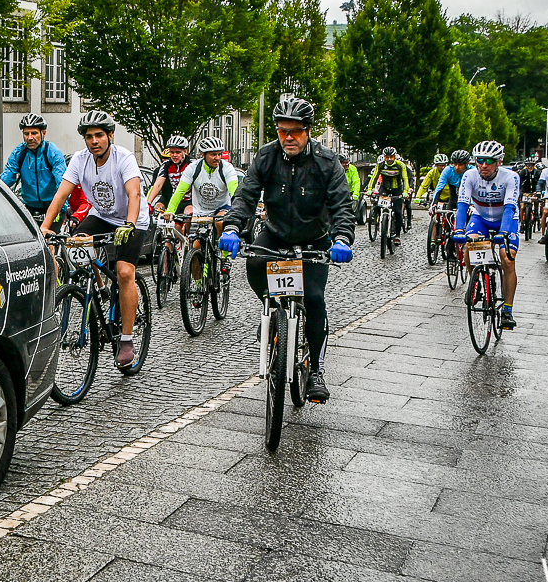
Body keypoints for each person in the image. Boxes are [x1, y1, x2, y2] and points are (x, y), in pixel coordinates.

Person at [217, 98, 354, 404]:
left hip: (314, 239)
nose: (288, 137)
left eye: (295, 131)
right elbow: (245, 195)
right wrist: (231, 228)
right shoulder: (266, 156)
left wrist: (342, 239)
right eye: (282, 131)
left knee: (314, 298)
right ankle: (273, 310)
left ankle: (316, 370)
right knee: (254, 264)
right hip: (276, 235)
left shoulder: (327, 161)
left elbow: (341, 206)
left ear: (308, 131)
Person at [41, 111, 151, 368]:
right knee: (77, 243)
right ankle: (101, 287)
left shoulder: (124, 158)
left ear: (110, 135)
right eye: (89, 137)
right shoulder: (80, 160)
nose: (94, 141)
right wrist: (45, 228)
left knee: (124, 273)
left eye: (99, 135)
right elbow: (61, 195)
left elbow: (134, 194)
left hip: (132, 218)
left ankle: (126, 339)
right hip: (101, 215)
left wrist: (130, 224)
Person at [450, 140, 520, 329]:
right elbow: (462, 205)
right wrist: (459, 230)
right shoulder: (469, 175)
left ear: (499, 161)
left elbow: (509, 208)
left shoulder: (510, 177)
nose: (484, 165)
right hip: (481, 218)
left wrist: (503, 233)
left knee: (507, 259)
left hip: (506, 219)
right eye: (480, 160)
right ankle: (477, 282)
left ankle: (507, 310)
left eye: (489, 160)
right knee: (471, 245)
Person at [164, 135, 239, 285]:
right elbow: (179, 191)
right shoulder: (193, 169)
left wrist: (237, 210)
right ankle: (198, 286)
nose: (217, 158)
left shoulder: (227, 168)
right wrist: (170, 210)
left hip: (221, 208)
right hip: (200, 212)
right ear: (203, 155)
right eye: (213, 154)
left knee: (220, 222)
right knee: (193, 249)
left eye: (219, 154)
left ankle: (224, 257)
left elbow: (235, 192)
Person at [1, 114, 67, 221]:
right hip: (29, 208)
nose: (30, 138)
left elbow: (62, 183)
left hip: (53, 206)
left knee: (49, 232)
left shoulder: (52, 152)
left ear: (43, 133)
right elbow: (6, 178)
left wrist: (62, 208)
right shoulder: (19, 153)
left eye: (34, 133)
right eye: (26, 134)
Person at [147, 134, 193, 229]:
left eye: (178, 152)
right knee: (173, 226)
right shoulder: (166, 165)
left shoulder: (192, 164)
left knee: (188, 217)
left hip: (190, 200)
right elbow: (158, 185)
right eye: (172, 152)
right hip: (174, 200)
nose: (174, 155)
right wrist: (148, 203)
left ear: (185, 151)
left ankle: (189, 237)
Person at [369, 146, 412, 237]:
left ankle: (397, 235)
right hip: (384, 189)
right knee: (377, 205)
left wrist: (405, 191)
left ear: (394, 157)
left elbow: (405, 179)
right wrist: (370, 189)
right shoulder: (380, 165)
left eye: (391, 157)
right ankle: (378, 220)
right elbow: (374, 178)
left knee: (398, 212)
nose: (389, 159)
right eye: (387, 157)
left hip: (397, 190)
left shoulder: (400, 165)